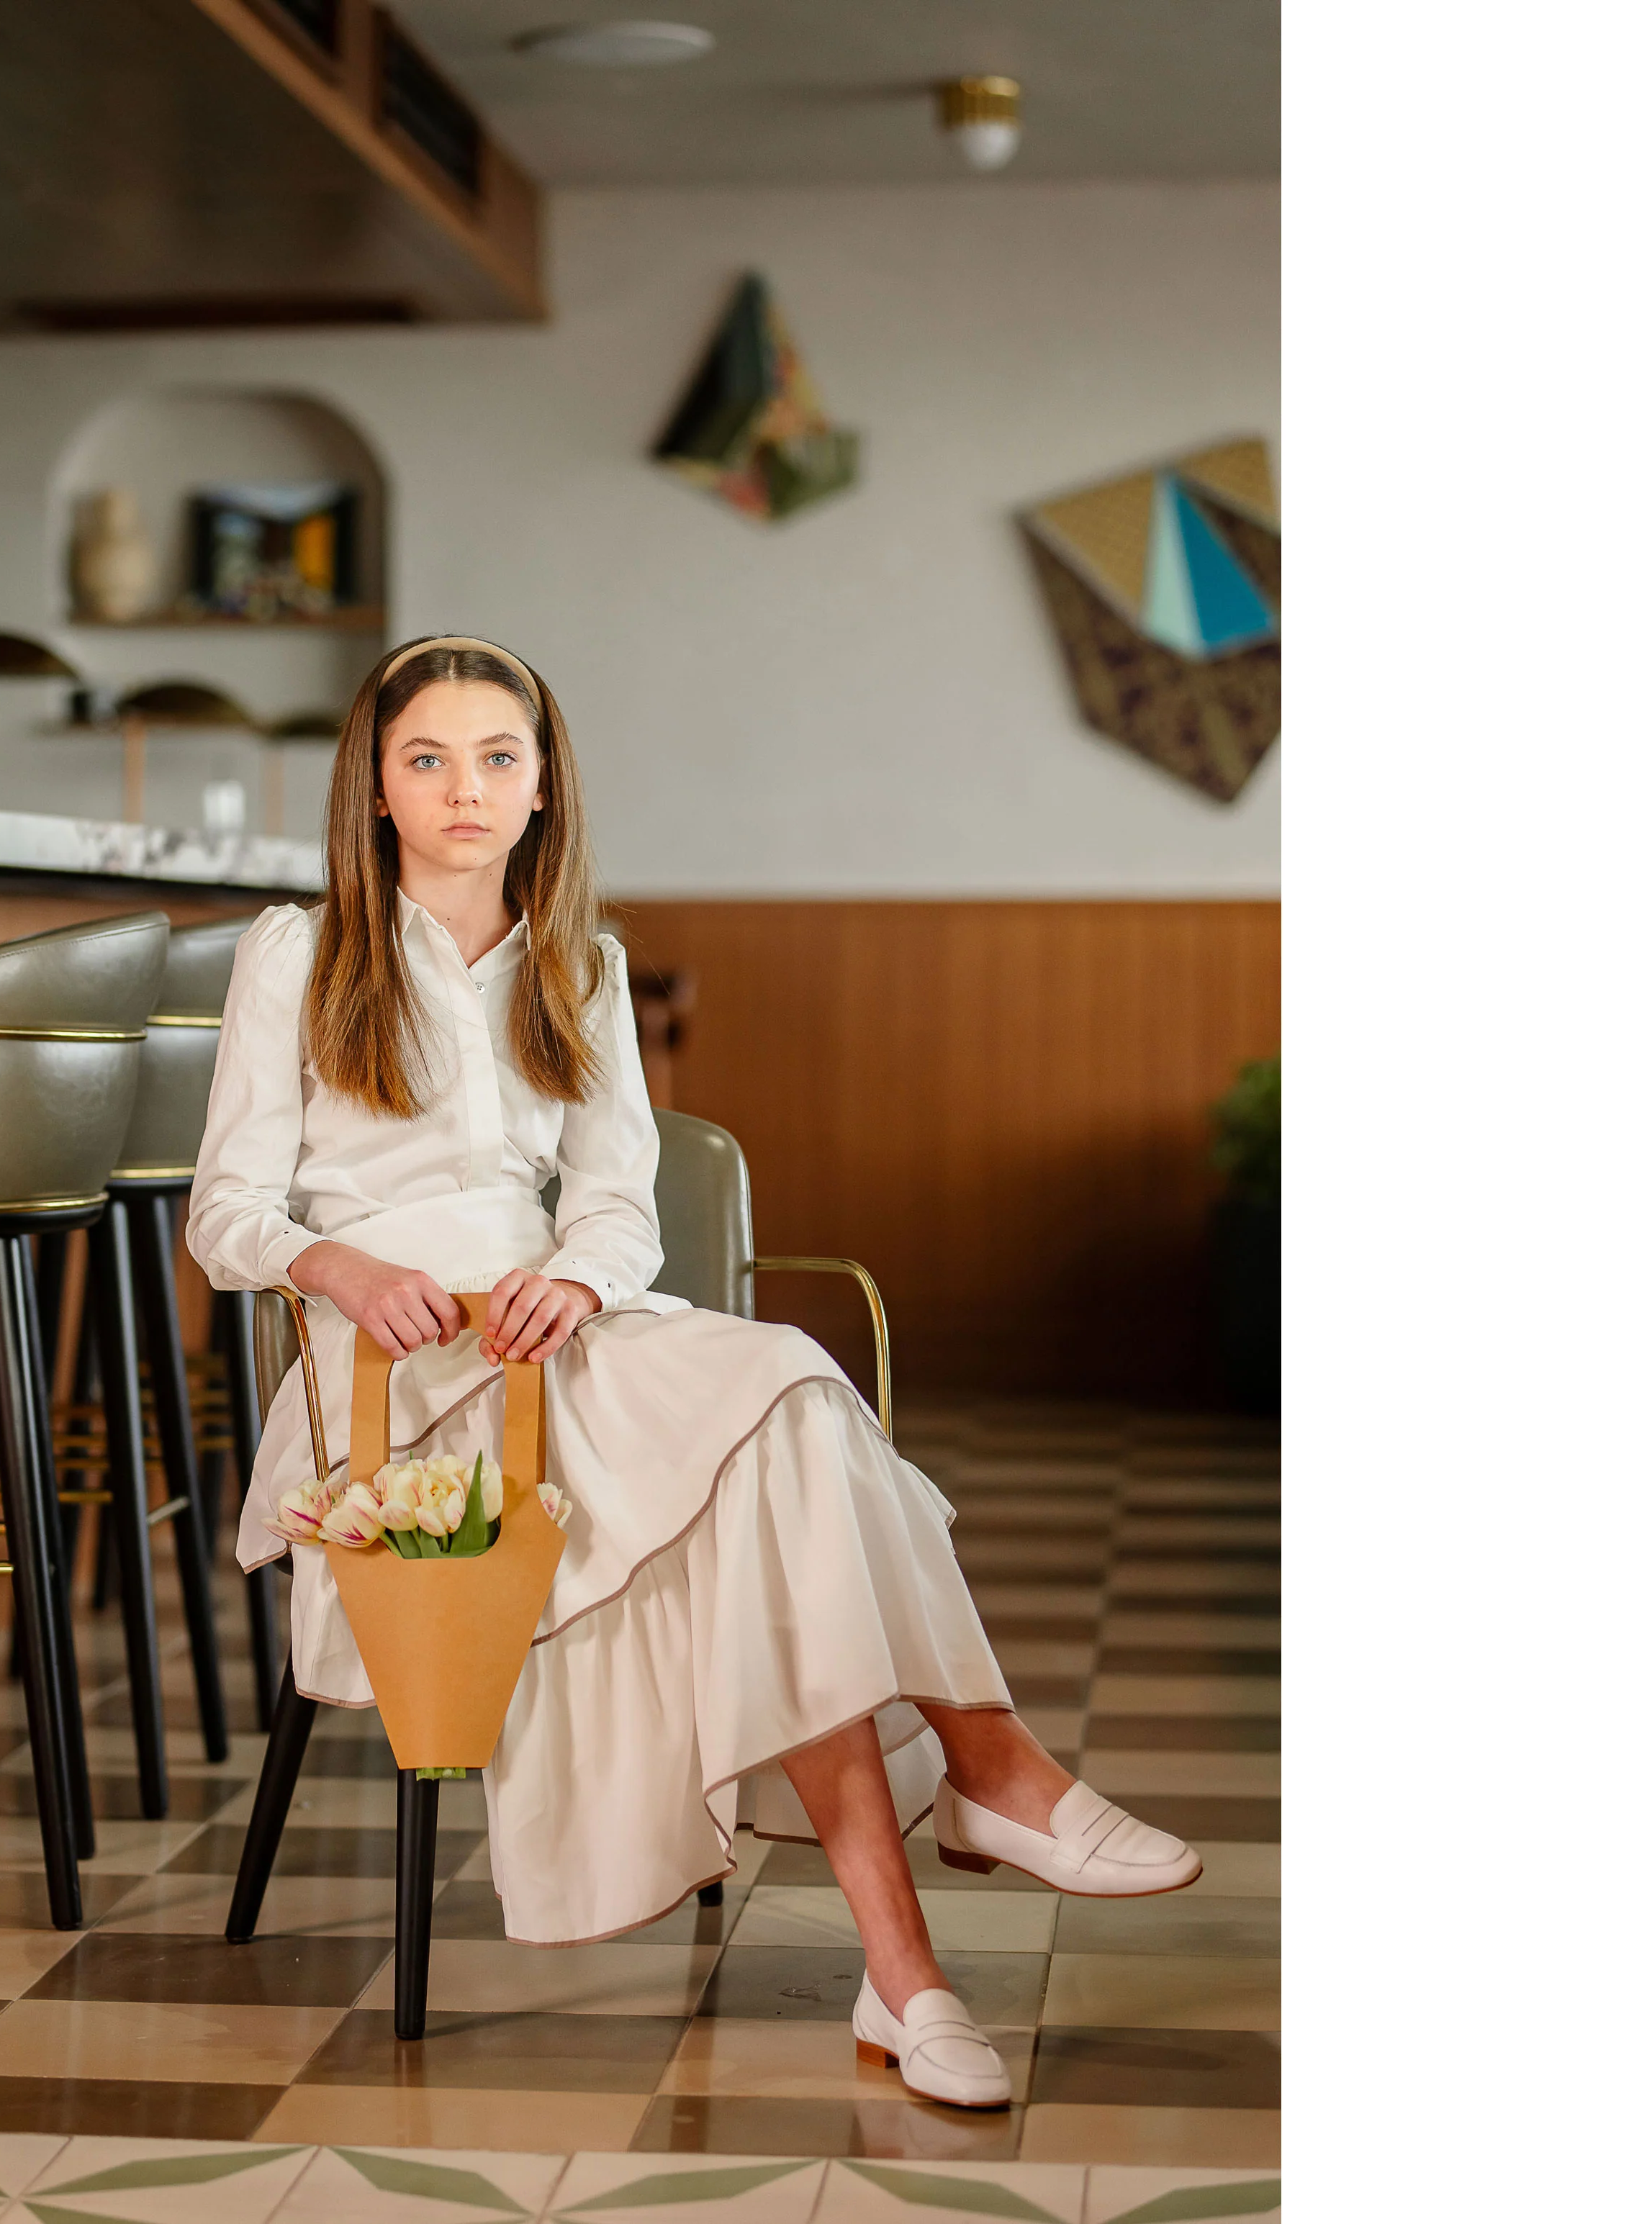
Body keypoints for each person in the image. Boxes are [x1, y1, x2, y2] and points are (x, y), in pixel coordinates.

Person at [187, 636, 1203, 2111]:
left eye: (498, 758)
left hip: (561, 1339)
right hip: (389, 1388)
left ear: (544, 787)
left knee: (780, 1444)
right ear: (377, 787)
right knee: (781, 1408)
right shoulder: (299, 952)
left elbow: (616, 1209)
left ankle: (910, 1960)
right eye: (428, 759)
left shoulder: (581, 963)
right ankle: (980, 1793)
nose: (466, 788)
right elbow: (224, 1214)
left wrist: (576, 1280)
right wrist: (340, 1268)